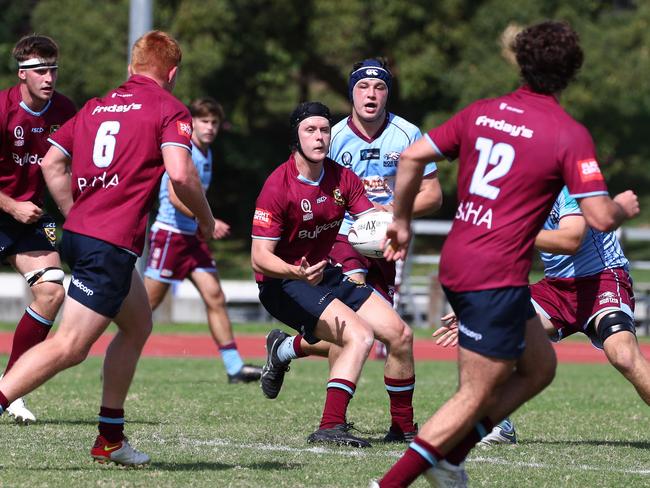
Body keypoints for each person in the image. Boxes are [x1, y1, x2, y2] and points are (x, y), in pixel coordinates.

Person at [373, 21, 639, 487]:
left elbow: (412, 157)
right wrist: (623, 206)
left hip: (463, 259)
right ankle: (393, 482)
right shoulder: (567, 133)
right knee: (477, 392)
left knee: (539, 367)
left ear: (519, 63)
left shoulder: (481, 113)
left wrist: (401, 219)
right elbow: (599, 218)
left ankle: (450, 459)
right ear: (571, 72)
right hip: (493, 271)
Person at [0, 31, 216, 467]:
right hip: (109, 242)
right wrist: (206, 219)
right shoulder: (168, 107)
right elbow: (180, 173)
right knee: (71, 346)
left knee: (137, 325)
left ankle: (110, 440)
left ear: (133, 66)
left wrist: (76, 213)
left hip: (83, 233)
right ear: (171, 73)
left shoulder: (97, 105)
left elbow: (51, 163)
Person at [260, 59, 442, 442]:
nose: (321, 137)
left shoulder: (393, 143)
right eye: (311, 130)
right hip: (318, 259)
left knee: (398, 334)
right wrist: (295, 271)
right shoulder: (284, 180)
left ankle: (403, 429)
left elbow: (390, 208)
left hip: (363, 245)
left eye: (379, 87)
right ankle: (331, 424)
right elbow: (259, 257)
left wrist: (392, 225)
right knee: (357, 333)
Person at [434, 186, 650, 446]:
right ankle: (498, 425)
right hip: (555, 288)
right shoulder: (510, 190)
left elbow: (571, 240)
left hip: (600, 279)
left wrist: (508, 231)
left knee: (623, 355)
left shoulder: (569, 185)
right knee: (487, 331)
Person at [144, 97, 262, 384]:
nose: (209, 128)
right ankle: (112, 356)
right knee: (144, 308)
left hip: (192, 239)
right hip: (170, 235)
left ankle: (234, 368)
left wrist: (201, 222)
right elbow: (174, 197)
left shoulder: (206, 153)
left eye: (214, 123)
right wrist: (206, 220)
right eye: (203, 121)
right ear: (192, 123)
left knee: (215, 297)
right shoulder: (185, 151)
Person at [0, 34, 76, 423]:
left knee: (50, 291)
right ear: (22, 75)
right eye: (41, 71)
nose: (49, 78)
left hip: (30, 215)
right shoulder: (1, 109)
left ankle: (11, 388)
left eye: (53, 70)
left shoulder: (64, 110)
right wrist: (10, 204)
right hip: (6, 207)